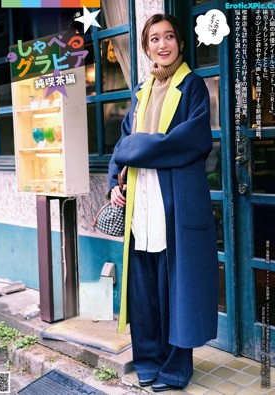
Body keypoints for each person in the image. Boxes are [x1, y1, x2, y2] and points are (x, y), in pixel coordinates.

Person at [108, 13, 218, 392]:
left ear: (180, 44)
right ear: (146, 48)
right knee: (143, 290)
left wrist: (134, 149)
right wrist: (113, 184)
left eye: (169, 36)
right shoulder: (140, 94)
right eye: (154, 39)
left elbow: (189, 141)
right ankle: (148, 360)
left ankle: (175, 368)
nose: (163, 44)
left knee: (175, 288)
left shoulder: (193, 87)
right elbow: (120, 148)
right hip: (142, 201)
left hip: (176, 203)